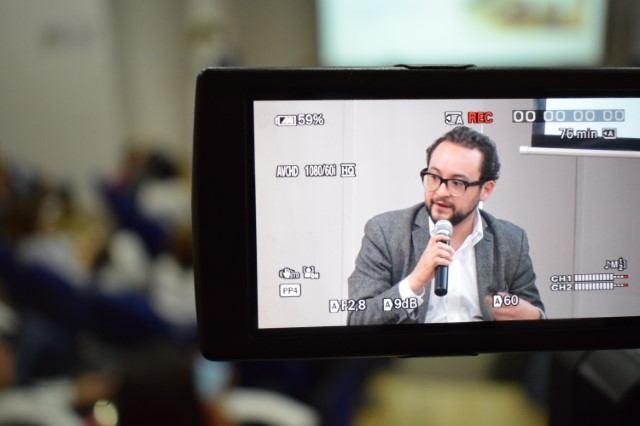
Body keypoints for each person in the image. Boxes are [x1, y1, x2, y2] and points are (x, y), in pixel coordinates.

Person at [348, 126, 545, 325]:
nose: (441, 192)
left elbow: (535, 315)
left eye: (457, 183)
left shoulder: (511, 240)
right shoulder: (385, 232)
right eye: (434, 177)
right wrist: (414, 282)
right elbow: (358, 319)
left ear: (486, 190)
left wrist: (534, 317)